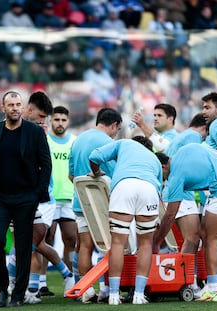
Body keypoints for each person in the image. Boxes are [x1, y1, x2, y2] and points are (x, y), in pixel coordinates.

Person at [0, 90, 52, 307]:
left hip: (26, 197)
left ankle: (18, 294)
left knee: (24, 246)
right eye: (11, 105)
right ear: (3, 108)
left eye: (18, 104)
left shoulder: (34, 132)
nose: (15, 108)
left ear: (23, 107)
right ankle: (2, 290)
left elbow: (46, 164)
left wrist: (38, 192)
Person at [14, 92, 74, 304]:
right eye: (41, 117)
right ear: (28, 110)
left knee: (29, 244)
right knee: (37, 243)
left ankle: (20, 288)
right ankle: (66, 275)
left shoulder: (40, 133)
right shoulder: (17, 129)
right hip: (21, 197)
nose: (43, 122)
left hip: (43, 198)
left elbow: (41, 165)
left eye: (44, 119)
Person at [89, 137, 162, 305]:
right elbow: (159, 188)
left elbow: (94, 156)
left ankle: (114, 296)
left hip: (124, 187)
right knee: (145, 244)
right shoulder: (155, 159)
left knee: (117, 243)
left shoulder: (123, 143)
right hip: (148, 188)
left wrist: (96, 173)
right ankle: (138, 295)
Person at [153, 143, 217, 302]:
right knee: (205, 234)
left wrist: (157, 242)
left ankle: (213, 289)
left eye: (161, 175)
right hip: (216, 189)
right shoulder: (184, 150)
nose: (164, 179)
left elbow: (171, 214)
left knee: (210, 237)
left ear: (164, 166)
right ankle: (212, 285)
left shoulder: (176, 175)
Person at [68, 107, 122, 303]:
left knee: (85, 246)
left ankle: (87, 291)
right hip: (103, 203)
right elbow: (116, 177)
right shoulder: (109, 143)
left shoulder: (77, 140)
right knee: (110, 246)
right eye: (118, 129)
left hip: (81, 201)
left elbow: (71, 175)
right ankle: (106, 289)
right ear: (114, 125)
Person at [41, 105, 77, 296]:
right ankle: (41, 282)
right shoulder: (44, 140)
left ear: (68, 121)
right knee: (46, 238)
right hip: (49, 198)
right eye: (56, 119)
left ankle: (69, 281)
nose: (60, 123)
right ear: (50, 121)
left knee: (71, 239)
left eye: (63, 120)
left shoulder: (74, 142)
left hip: (69, 198)